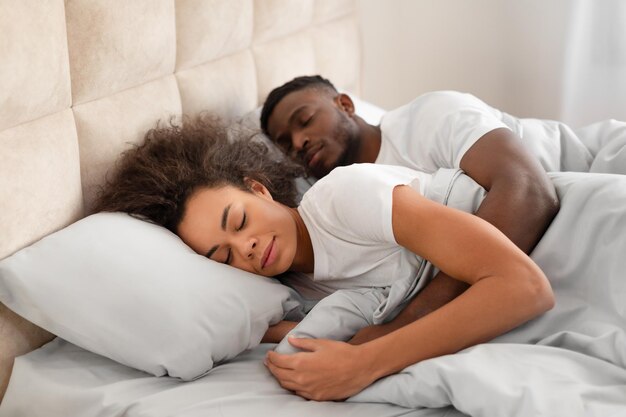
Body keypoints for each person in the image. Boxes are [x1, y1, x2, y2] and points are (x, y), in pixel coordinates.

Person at [94, 115, 554, 401]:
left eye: (239, 222)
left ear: (259, 188)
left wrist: (368, 361)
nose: (247, 248)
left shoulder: (343, 198)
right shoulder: (289, 291)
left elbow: (525, 287)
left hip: (561, 235)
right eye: (223, 256)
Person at [260, 75, 565, 343]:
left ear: (345, 104)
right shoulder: (324, 215)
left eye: (305, 121)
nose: (299, 142)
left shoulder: (429, 117)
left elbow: (529, 191)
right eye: (286, 145)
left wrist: (409, 324)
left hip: (574, 181)